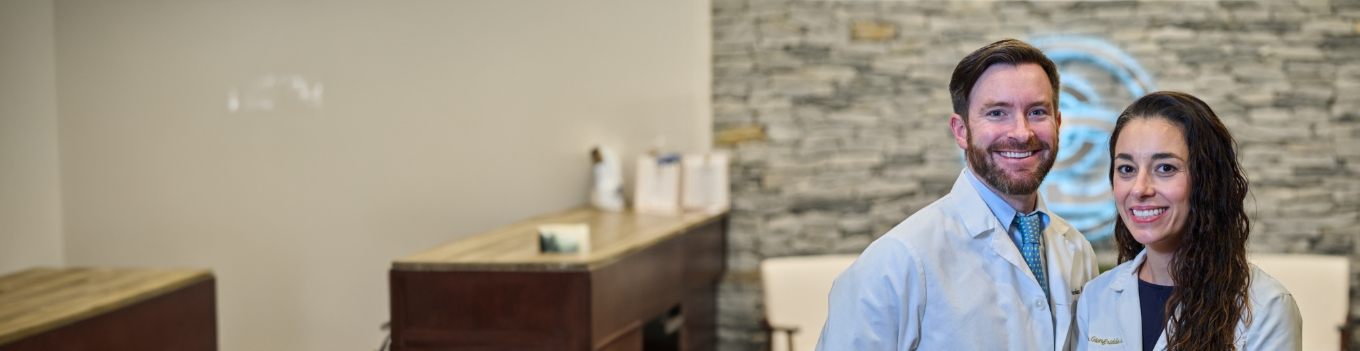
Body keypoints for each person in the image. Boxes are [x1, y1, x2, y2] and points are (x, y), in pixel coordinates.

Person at [816, 39, 1099, 351]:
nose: (1021, 132)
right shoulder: (896, 262)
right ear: (961, 130)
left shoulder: (1076, 250)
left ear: (1058, 123)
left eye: (1036, 111)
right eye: (997, 113)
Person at [1075, 91, 1302, 350]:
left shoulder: (1267, 307)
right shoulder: (1095, 298)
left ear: (1207, 180)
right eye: (1126, 169)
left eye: (1166, 168)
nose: (1139, 189)